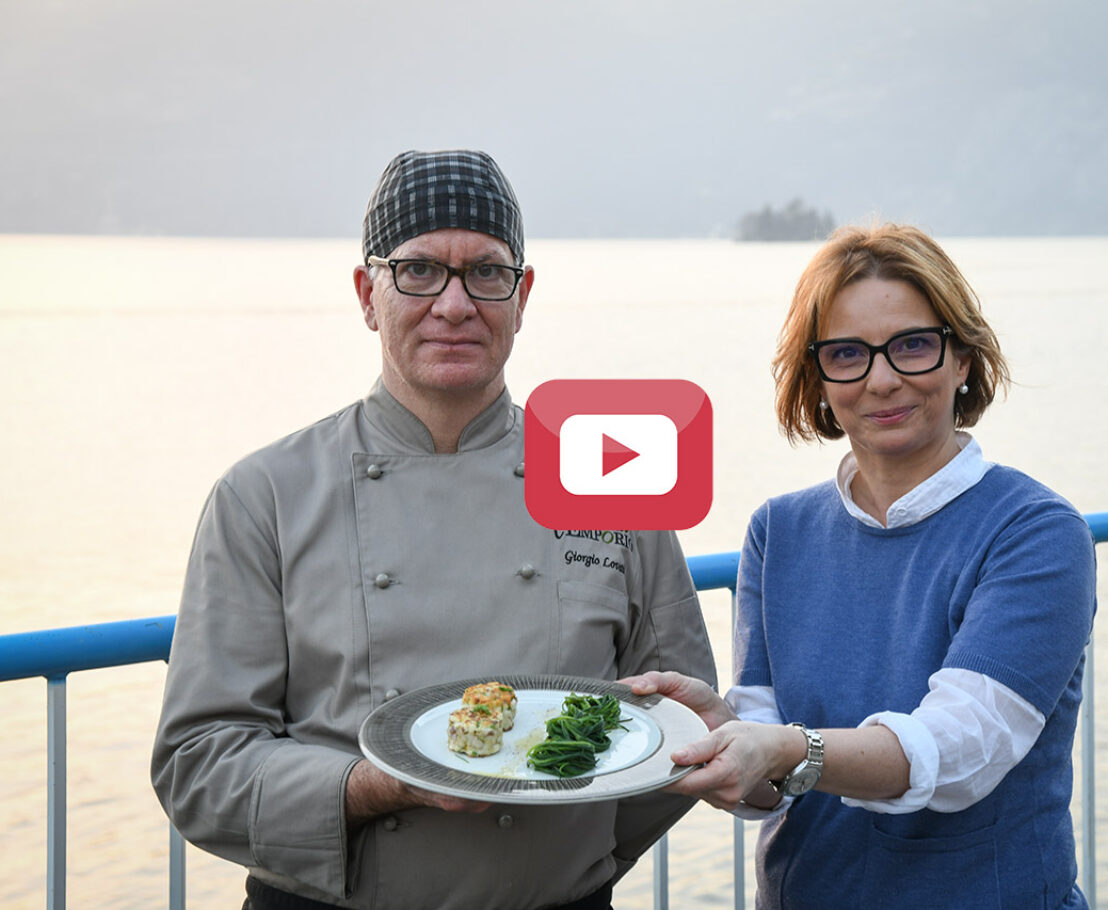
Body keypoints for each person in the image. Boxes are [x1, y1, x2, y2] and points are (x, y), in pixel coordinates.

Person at [151, 149, 717, 910]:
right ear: (366, 291)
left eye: (486, 273)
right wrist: (369, 788)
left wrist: (573, 864)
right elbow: (198, 763)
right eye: (418, 270)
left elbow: (682, 724)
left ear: (524, 296)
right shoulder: (264, 496)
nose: (454, 305)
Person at [626, 223, 1096, 908]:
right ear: (817, 379)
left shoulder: (1035, 531)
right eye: (847, 354)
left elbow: (959, 750)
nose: (881, 379)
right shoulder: (778, 531)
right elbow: (766, 785)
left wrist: (786, 748)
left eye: (912, 345)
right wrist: (719, 732)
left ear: (963, 358)